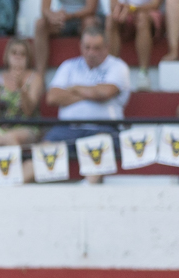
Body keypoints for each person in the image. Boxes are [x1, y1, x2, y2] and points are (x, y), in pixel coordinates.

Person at [42, 24, 129, 176]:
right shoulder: (68, 66)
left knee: (98, 146)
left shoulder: (118, 66)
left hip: (103, 129)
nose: (90, 53)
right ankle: (12, 192)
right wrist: (91, 92)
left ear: (107, 47)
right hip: (67, 129)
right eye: (87, 47)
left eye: (96, 48)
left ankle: (88, 193)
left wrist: (74, 88)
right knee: (43, 151)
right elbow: (52, 97)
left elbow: (104, 93)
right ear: (80, 46)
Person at [106, 0, 161, 89]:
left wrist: (132, 9)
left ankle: (143, 73)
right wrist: (121, 10)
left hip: (148, 13)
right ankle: (111, 71)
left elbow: (155, 5)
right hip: (126, 13)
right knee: (111, 19)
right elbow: (113, 4)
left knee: (142, 17)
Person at [33, 0, 100, 73]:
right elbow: (45, 10)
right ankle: (40, 75)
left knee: (89, 22)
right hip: (64, 19)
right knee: (40, 24)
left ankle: (90, 72)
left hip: (84, 17)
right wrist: (53, 17)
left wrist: (69, 15)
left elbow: (91, 8)